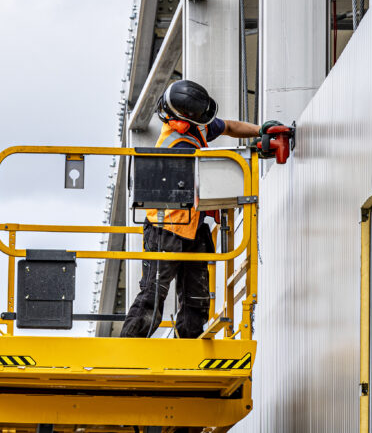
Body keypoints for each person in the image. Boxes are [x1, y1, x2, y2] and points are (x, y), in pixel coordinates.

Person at [120, 80, 282, 338]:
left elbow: (229, 126)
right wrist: (251, 154)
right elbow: (212, 176)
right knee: (153, 294)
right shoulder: (177, 144)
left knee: (196, 298)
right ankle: (129, 347)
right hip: (166, 229)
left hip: (192, 227)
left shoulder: (196, 127)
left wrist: (260, 130)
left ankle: (190, 348)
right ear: (183, 119)